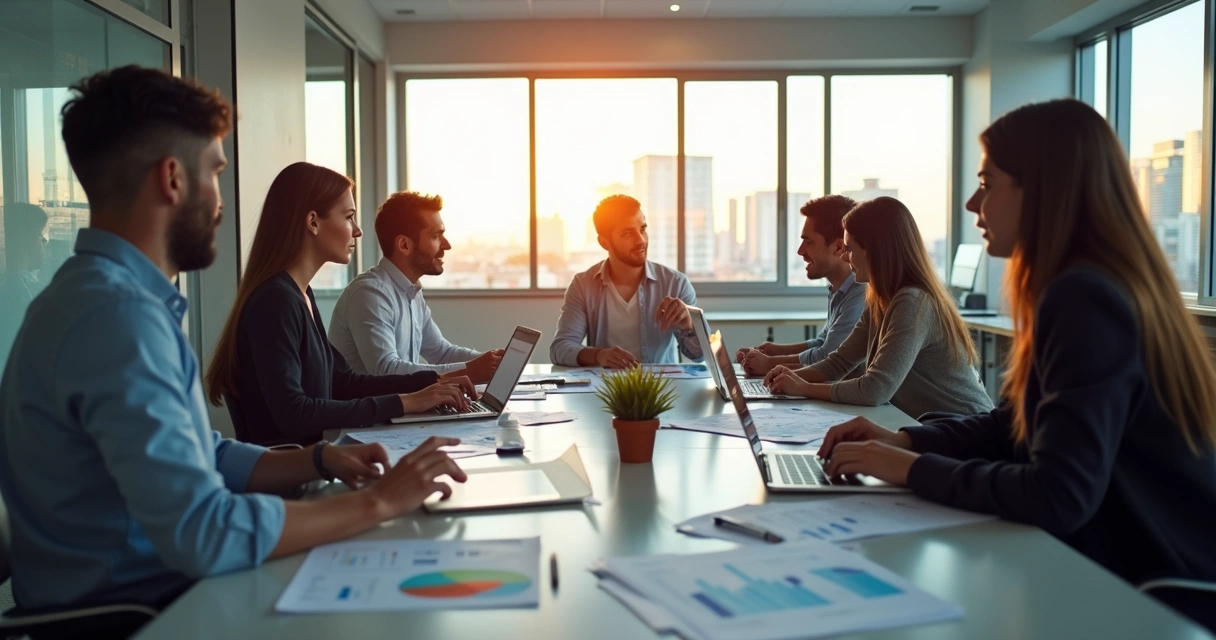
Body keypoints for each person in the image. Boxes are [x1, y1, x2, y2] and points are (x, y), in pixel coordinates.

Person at [0, 66, 467, 626]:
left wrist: (319, 459)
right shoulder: (118, 319)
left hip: (157, 586)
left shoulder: (101, 299)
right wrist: (379, 501)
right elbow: (205, 531)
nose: (222, 203)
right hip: (138, 611)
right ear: (172, 179)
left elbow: (203, 453)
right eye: (216, 173)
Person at [815, 99, 1216, 629]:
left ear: (1044, 189)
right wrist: (905, 442)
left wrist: (909, 469)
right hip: (1127, 565)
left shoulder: (1084, 296)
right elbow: (1016, 425)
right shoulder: (1091, 285)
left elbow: (1058, 493)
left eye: (988, 182)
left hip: (1156, 594)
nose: (970, 201)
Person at [204, 163, 475, 447]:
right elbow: (294, 414)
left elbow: (344, 383)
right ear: (313, 222)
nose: (357, 231)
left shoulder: (301, 294)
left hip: (318, 459)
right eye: (349, 217)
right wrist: (405, 402)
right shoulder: (276, 301)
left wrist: (432, 383)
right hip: (295, 476)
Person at [764, 197, 993, 419]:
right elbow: (840, 361)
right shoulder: (882, 300)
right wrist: (791, 377)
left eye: (850, 248)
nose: (845, 256)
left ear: (874, 251)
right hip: (931, 428)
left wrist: (803, 388)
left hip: (968, 432)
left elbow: (875, 389)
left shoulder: (912, 302)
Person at [328, 191, 503, 384]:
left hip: (401, 409)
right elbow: (386, 370)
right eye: (436, 236)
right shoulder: (370, 293)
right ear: (404, 245)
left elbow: (441, 352)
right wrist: (470, 371)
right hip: (374, 414)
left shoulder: (411, 291)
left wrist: (493, 362)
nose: (447, 245)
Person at [550, 194, 701, 368]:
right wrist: (599, 355)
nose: (641, 240)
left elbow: (700, 356)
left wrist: (689, 326)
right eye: (628, 233)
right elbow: (560, 349)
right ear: (604, 242)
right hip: (605, 390)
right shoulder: (583, 285)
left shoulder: (676, 284)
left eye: (643, 229)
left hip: (662, 389)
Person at [734, 195, 865, 377]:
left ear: (838, 248)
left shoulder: (860, 293)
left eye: (809, 242)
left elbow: (827, 357)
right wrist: (774, 351)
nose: (800, 251)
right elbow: (823, 342)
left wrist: (770, 364)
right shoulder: (839, 289)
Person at [0, 203, 50, 367]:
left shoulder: (13, 283)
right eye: (41, 236)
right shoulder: (20, 291)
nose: (45, 243)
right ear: (26, 241)